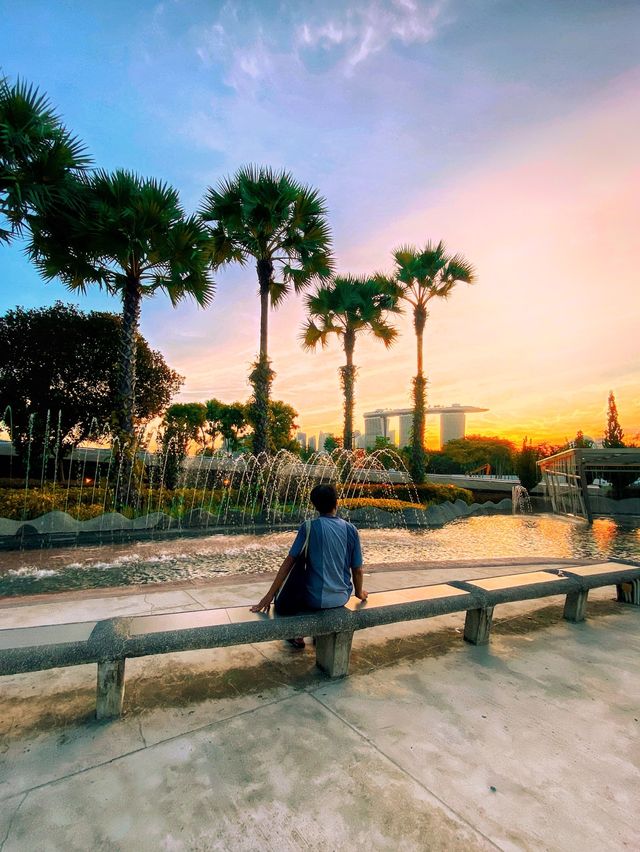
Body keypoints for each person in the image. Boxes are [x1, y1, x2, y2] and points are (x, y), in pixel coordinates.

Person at [250, 483, 368, 647]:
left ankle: (297, 633)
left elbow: (289, 562)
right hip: (341, 598)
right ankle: (316, 633)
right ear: (336, 502)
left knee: (286, 595)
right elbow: (358, 570)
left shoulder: (309, 527)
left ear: (314, 505)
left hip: (313, 599)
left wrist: (269, 595)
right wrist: (360, 593)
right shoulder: (351, 530)